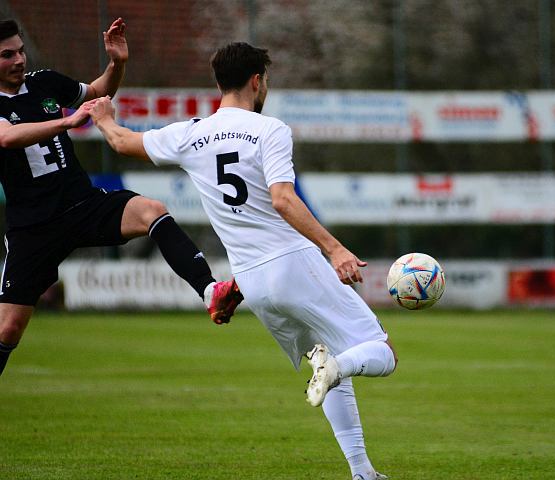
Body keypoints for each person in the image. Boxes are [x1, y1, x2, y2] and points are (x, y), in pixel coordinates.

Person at [89, 42, 398, 480]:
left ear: (218, 83)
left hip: (252, 284)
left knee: (324, 359)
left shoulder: (191, 134)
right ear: (258, 81)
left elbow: (122, 143)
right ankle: (340, 372)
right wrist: (335, 248)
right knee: (381, 353)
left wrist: (104, 119)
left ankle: (363, 472)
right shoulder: (269, 130)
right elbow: (282, 198)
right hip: (293, 263)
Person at [0, 18, 244, 378]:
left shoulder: (44, 83)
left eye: (21, 50)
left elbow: (98, 92)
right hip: (32, 227)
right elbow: (7, 137)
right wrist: (67, 123)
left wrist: (117, 64)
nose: (19, 59)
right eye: (8, 55)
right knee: (8, 330)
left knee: (151, 211)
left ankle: (209, 291)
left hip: (82, 204)